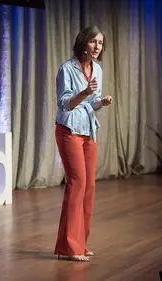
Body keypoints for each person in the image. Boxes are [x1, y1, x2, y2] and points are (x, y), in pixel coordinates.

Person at [54, 26, 113, 262]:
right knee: (77, 184)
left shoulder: (97, 68)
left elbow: (93, 103)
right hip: (69, 129)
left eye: (100, 43)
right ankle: (68, 247)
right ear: (83, 43)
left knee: (89, 188)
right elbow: (65, 103)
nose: (97, 46)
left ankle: (81, 243)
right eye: (93, 42)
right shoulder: (66, 69)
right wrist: (84, 92)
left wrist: (102, 102)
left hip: (89, 130)